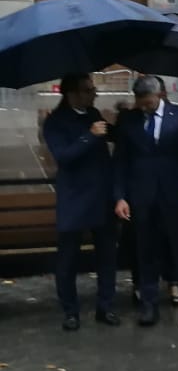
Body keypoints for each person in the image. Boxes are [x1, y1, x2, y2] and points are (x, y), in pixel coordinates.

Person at [114, 74, 178, 327]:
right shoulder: (129, 120)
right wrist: (120, 197)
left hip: (175, 194)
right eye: (139, 102)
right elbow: (120, 161)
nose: (143, 107)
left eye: (148, 102)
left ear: (161, 95)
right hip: (142, 196)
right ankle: (149, 304)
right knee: (146, 251)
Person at [43, 73, 119, 331]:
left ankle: (106, 306)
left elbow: (111, 135)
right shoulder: (55, 122)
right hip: (75, 199)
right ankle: (70, 311)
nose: (94, 94)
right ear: (72, 93)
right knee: (68, 259)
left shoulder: (93, 113)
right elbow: (64, 156)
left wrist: (124, 120)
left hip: (102, 197)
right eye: (88, 90)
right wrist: (89, 135)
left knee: (107, 255)